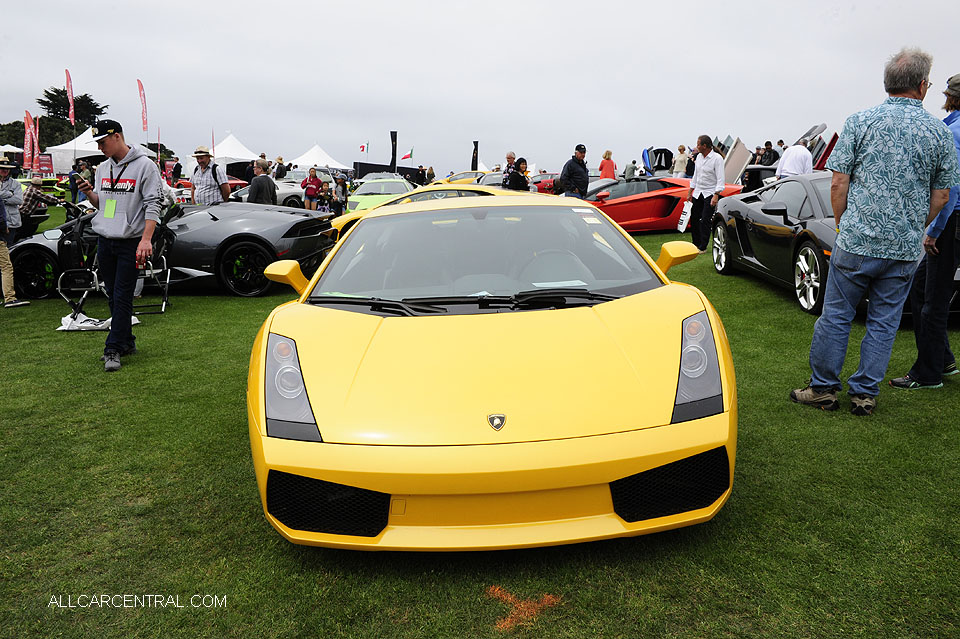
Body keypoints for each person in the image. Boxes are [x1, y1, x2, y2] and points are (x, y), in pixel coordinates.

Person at [790, 48, 960, 416]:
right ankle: (864, 393)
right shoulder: (939, 131)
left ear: (888, 83)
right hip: (901, 248)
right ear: (922, 85)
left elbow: (838, 184)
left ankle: (823, 388)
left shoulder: (860, 121)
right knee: (884, 321)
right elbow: (943, 195)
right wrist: (917, 226)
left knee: (836, 314)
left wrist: (842, 223)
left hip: (856, 240)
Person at [889, 73, 960, 390]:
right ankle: (942, 358)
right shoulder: (951, 127)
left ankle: (928, 373)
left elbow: (951, 188)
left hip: (951, 223)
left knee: (933, 299)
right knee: (922, 290)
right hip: (952, 221)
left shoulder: (954, 131)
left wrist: (934, 230)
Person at [75, 120, 163, 372]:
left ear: (117, 137)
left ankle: (112, 348)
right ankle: (127, 341)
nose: (100, 147)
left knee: (123, 294)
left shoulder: (146, 166)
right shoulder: (103, 168)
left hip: (131, 242)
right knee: (114, 296)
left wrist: (146, 240)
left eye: (103, 142)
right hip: (106, 240)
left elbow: (153, 204)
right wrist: (89, 192)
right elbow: (103, 204)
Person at [684, 135, 725, 253]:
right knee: (694, 218)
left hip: (710, 192)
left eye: (698, 144)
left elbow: (720, 178)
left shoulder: (717, 159)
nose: (696, 147)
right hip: (698, 192)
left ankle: (703, 246)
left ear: (704, 146)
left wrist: (716, 194)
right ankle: (695, 244)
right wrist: (690, 191)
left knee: (706, 219)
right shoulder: (699, 158)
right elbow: (696, 175)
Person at [0, 156, 28, 308]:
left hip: (12, 223)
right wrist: (7, 195)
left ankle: (7, 290)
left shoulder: (15, 184)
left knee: (8, 257)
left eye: (6, 169)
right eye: (2, 168)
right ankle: (7, 294)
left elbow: (19, 200)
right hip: (2, 224)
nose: (4, 171)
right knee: (5, 262)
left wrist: (3, 196)